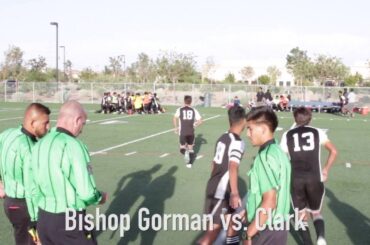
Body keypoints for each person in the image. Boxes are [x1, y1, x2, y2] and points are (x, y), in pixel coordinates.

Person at [24, 100, 107, 245]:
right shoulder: (74, 145)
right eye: (83, 124)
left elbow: (32, 188)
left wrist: (35, 221)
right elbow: (86, 192)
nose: (82, 129)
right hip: (70, 221)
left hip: (44, 219)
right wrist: (99, 197)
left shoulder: (39, 144)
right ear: (77, 120)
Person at [280, 107, 337, 245]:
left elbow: (282, 158)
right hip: (314, 178)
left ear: (295, 119)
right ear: (310, 119)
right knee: (316, 212)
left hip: (296, 179)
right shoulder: (317, 132)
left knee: (300, 216)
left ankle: (307, 243)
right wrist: (325, 170)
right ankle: (321, 238)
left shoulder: (287, 134)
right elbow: (334, 151)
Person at [0, 103, 51, 245]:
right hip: (25, 207)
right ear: (33, 122)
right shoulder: (29, 148)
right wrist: (35, 220)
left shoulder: (8, 134)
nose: (48, 127)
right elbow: (32, 186)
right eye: (45, 123)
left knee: (21, 240)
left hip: (10, 204)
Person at [197, 106, 246, 245]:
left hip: (216, 186)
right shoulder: (238, 142)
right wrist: (235, 193)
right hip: (221, 192)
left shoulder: (223, 137)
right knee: (213, 232)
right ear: (243, 121)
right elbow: (233, 166)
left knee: (233, 223)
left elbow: (213, 164)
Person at [243, 107, 291, 245]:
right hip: (279, 227)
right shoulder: (278, 151)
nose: (247, 134)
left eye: (250, 129)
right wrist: (249, 211)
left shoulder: (264, 157)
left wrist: (248, 234)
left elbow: (269, 201)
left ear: (263, 129)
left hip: (265, 229)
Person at [173, 95, 202, 168]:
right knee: (191, 149)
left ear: (184, 101)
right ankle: (189, 164)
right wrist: (194, 125)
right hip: (191, 132)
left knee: (182, 148)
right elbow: (200, 121)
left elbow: (174, 118)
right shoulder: (193, 110)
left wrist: (176, 128)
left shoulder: (180, 109)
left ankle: (185, 152)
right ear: (191, 101)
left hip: (182, 132)